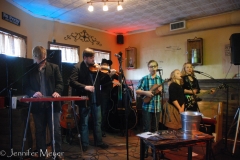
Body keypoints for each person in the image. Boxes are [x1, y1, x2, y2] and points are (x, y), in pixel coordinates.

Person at [69, 48, 116, 152]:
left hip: (96, 99)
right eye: (91, 57)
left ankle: (98, 142)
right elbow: (72, 81)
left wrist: (109, 75)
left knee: (97, 122)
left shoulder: (96, 68)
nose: (93, 60)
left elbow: (101, 82)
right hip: (85, 99)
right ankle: (85, 144)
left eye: (94, 57)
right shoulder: (77, 67)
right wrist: (85, 87)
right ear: (85, 58)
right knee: (84, 123)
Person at [25, 46, 64, 160]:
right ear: (35, 57)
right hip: (38, 107)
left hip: (53, 106)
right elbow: (26, 87)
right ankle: (42, 155)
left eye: (44, 57)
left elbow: (60, 83)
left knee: (55, 131)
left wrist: (57, 91)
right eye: (40, 58)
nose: (43, 60)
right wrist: (33, 93)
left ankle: (57, 154)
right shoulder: (30, 70)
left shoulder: (54, 67)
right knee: (40, 131)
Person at [136, 60, 163, 158]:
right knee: (147, 129)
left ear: (157, 67)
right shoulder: (145, 78)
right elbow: (138, 90)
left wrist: (160, 91)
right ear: (148, 68)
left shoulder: (160, 79)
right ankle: (145, 150)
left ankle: (154, 149)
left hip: (157, 107)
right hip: (147, 107)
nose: (153, 68)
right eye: (151, 66)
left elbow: (160, 93)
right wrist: (146, 93)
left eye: (155, 66)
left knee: (155, 129)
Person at [100, 59, 120, 137]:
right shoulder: (100, 73)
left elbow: (120, 78)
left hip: (111, 95)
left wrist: (119, 72)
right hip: (103, 95)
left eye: (107, 64)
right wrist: (111, 80)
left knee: (109, 111)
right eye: (104, 64)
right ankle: (101, 130)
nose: (106, 66)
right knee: (103, 112)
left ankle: (109, 126)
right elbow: (101, 83)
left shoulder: (110, 72)